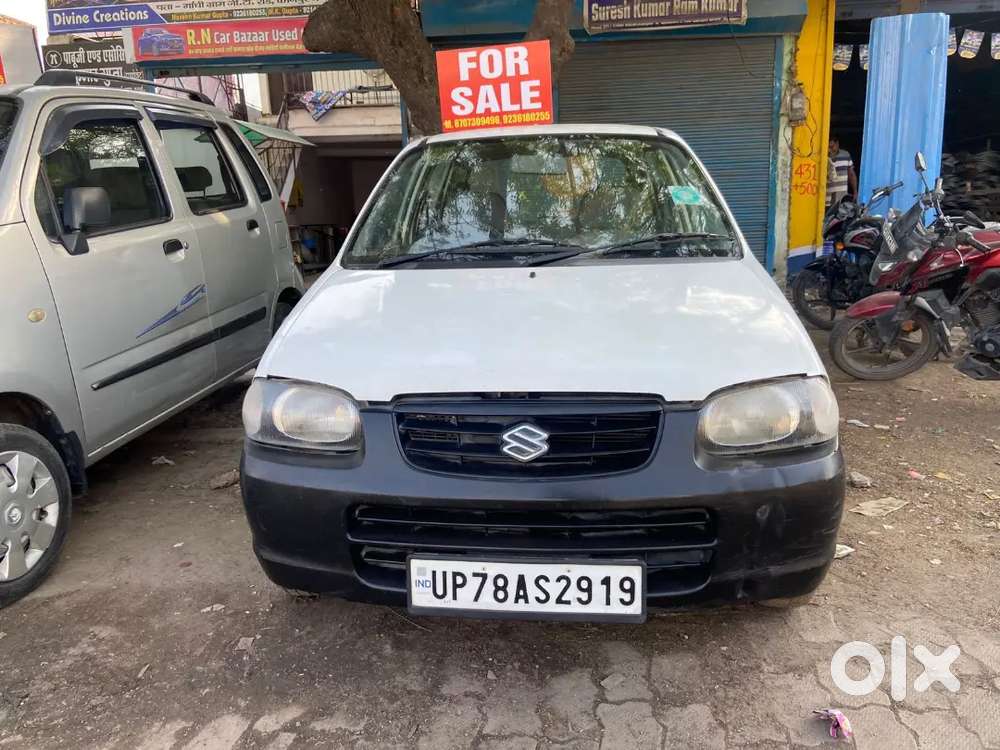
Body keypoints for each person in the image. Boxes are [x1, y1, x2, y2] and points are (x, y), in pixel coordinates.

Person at [826, 136, 858, 207]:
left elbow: (851, 174)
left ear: (837, 144)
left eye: (832, 147)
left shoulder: (845, 155)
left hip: (841, 199)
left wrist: (855, 192)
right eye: (828, 147)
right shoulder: (824, 156)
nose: (829, 150)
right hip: (826, 199)